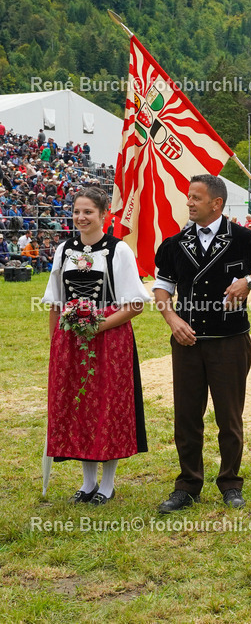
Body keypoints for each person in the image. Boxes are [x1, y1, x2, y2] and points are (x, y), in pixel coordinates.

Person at [153, 175, 251, 512]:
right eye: (189, 196)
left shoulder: (242, 238)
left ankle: (230, 482)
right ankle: (187, 485)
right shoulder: (176, 242)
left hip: (230, 341)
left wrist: (250, 280)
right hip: (187, 343)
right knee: (186, 416)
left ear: (216, 204)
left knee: (229, 417)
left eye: (196, 197)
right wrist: (172, 320)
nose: (189, 202)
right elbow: (161, 287)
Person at [41, 186, 151, 505]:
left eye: (88, 211)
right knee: (80, 406)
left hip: (111, 341)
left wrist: (97, 325)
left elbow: (135, 304)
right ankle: (87, 483)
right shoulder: (64, 250)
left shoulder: (118, 251)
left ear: (104, 215)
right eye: (77, 211)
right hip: (71, 342)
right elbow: (54, 302)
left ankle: (107, 484)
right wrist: (56, 346)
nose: (81, 217)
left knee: (107, 406)